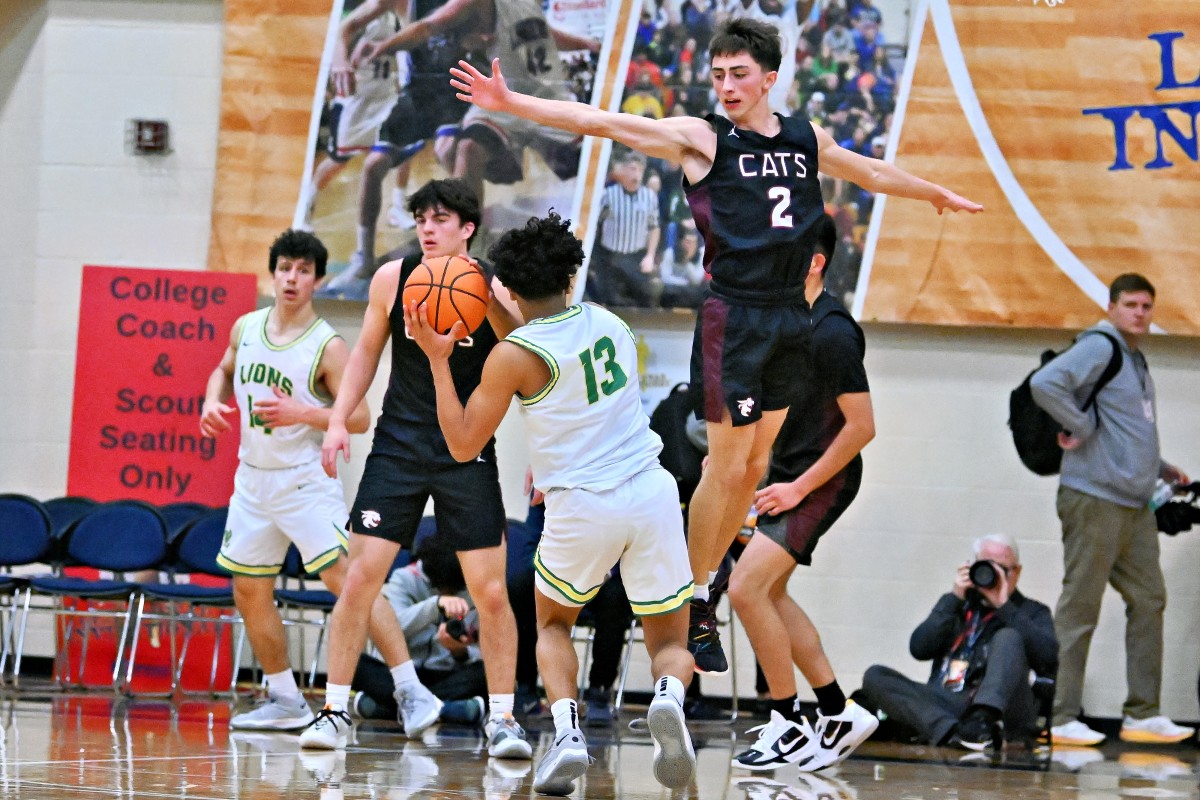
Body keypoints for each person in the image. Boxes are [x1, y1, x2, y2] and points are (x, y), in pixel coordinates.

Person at [449, 16, 982, 674]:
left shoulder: (803, 138)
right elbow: (604, 122)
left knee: (756, 468)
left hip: (790, 318)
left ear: (769, 78)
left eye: (738, 74)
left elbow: (867, 168)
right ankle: (696, 596)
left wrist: (930, 191)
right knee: (726, 467)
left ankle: (701, 588)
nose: (727, 85)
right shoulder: (702, 138)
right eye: (718, 74)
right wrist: (513, 102)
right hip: (737, 317)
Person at [405, 211, 697, 796]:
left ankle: (566, 734)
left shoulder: (512, 358)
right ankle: (668, 698)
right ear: (571, 276)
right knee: (669, 640)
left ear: (509, 288)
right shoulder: (610, 323)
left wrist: (436, 359)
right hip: (651, 491)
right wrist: (491, 301)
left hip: (583, 506)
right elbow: (537, 331)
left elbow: (463, 442)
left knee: (553, 623)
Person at [300, 179, 532, 760]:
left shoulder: (491, 287)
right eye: (422, 219)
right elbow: (364, 355)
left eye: (442, 219)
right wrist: (336, 419)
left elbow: (525, 361)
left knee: (491, 592)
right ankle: (333, 709)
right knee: (359, 580)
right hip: (399, 446)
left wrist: (547, 458)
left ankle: (503, 718)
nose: (428, 228)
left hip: (467, 449)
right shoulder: (391, 277)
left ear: (468, 228)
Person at [198, 229, 393, 732]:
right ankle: (285, 699)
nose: (292, 277)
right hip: (253, 480)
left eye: (304, 270)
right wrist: (209, 401)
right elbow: (221, 369)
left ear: (318, 280)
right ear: (274, 272)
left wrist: (302, 412)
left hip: (305, 479)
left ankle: (410, 687)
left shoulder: (327, 345)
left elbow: (359, 418)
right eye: (285, 267)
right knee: (248, 589)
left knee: (346, 581)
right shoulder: (246, 328)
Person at [726, 214, 879, 772]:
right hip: (790, 472)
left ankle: (788, 721)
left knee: (745, 589)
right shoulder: (789, 319)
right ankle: (838, 712)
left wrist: (796, 489)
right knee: (769, 594)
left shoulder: (833, 331)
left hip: (822, 476)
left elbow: (862, 427)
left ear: (813, 262)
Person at [1029, 273, 1194, 747]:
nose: (1140, 313)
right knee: (1081, 607)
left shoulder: (1134, 357)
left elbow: (1126, 427)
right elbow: (1046, 382)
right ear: (1112, 306)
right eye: (1131, 304)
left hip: (1133, 504)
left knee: (1150, 599)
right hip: (1094, 499)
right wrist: (1078, 424)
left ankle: (1143, 713)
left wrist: (1160, 468)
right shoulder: (1101, 345)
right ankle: (1060, 717)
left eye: (1147, 305)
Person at [860, 535, 1058, 750]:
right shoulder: (958, 604)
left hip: (1004, 708)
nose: (993, 575)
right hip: (952, 701)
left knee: (1008, 637)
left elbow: (1049, 659)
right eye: (986, 567)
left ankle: (981, 722)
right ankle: (952, 732)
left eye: (1002, 569)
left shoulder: (1032, 611)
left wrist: (1004, 606)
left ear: (1016, 572)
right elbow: (919, 648)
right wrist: (954, 598)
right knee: (875, 675)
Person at [507, 493, 635, 727]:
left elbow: (628, 545)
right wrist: (556, 570)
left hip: (603, 576)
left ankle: (599, 693)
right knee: (520, 586)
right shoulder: (547, 485)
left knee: (617, 594)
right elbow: (529, 550)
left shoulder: (614, 482)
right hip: (558, 573)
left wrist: (601, 572)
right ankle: (525, 689)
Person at [350, 525, 488, 727]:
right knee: (354, 664)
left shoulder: (473, 585)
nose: (449, 592)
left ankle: (394, 709)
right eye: (442, 588)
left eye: (455, 590)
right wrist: (434, 606)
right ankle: (447, 709)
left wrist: (460, 653)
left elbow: (482, 649)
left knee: (490, 674)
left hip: (445, 675)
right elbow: (390, 629)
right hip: (403, 675)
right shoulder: (404, 578)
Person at [587, 148, 661, 308]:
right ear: (624, 171)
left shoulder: (649, 197)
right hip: (611, 256)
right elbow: (595, 224)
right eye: (633, 169)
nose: (637, 174)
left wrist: (650, 255)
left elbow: (654, 227)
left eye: (640, 170)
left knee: (647, 298)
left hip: (636, 257)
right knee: (610, 301)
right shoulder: (608, 195)